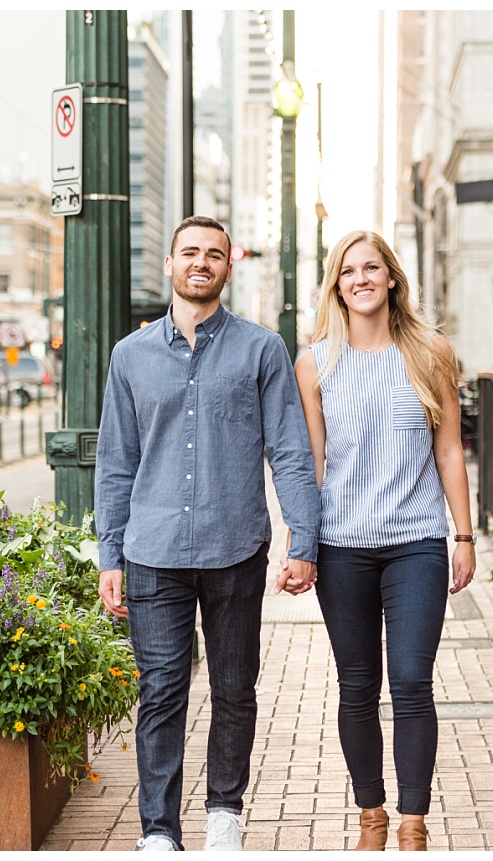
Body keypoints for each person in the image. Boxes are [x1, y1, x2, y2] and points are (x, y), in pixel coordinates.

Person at [95, 215, 321, 851]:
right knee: (161, 691)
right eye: (189, 253)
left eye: (213, 254)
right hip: (153, 552)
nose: (201, 263)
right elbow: (116, 461)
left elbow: (291, 452)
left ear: (229, 266)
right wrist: (109, 554)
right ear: (170, 265)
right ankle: (159, 832)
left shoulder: (260, 349)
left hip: (236, 549)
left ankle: (225, 812)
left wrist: (301, 539)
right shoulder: (130, 357)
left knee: (234, 689)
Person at [289, 230, 476, 852]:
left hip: (416, 543)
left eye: (372, 268)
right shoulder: (315, 363)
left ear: (392, 278)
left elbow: (449, 449)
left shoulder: (431, 352)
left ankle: (413, 824)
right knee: (357, 684)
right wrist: (303, 546)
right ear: (336, 285)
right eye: (348, 271)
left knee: (410, 679)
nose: (361, 279)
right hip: (343, 547)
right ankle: (371, 816)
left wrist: (465, 536)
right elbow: (309, 465)